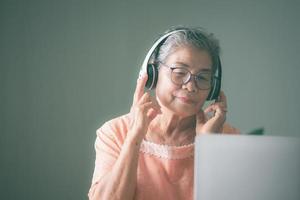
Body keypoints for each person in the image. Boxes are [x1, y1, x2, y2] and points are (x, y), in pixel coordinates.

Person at [88, 26, 239, 200]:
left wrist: (209, 147)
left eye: (202, 77)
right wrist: (135, 135)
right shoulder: (115, 133)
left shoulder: (227, 137)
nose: (190, 86)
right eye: (180, 73)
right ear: (152, 74)